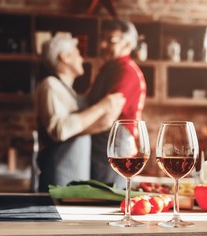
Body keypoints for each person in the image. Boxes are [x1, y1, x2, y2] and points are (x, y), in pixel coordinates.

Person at [35, 33, 125, 192]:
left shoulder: (70, 93)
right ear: (65, 57)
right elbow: (60, 130)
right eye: (77, 54)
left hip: (75, 179)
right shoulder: (50, 85)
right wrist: (102, 107)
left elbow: (80, 125)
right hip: (57, 180)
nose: (82, 59)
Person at [87, 19, 147, 188]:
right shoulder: (109, 68)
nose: (103, 44)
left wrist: (71, 132)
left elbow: (108, 117)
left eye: (111, 40)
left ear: (127, 44)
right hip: (101, 144)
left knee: (107, 200)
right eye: (103, 39)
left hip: (116, 146)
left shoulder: (126, 71)